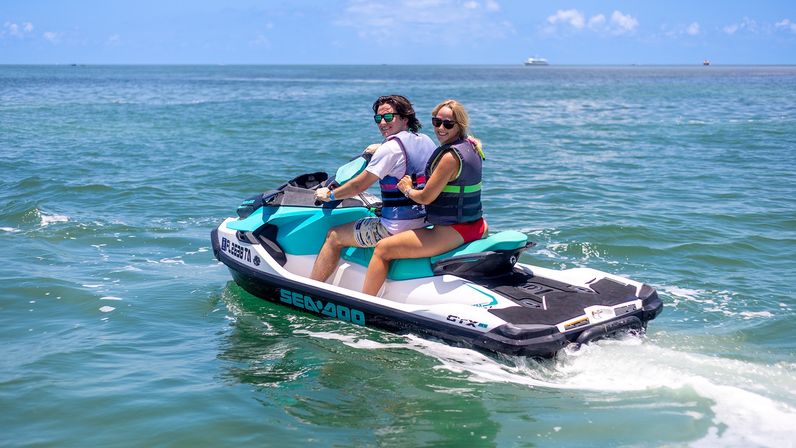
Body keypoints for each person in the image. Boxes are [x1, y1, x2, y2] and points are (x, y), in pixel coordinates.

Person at [362, 99, 487, 296]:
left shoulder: (449, 157)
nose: (440, 128)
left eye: (448, 124)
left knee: (382, 249)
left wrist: (407, 188)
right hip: (477, 224)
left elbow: (425, 198)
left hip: (452, 231)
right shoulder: (471, 146)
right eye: (437, 122)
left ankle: (365, 303)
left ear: (459, 125)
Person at [310, 95, 437, 283]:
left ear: (404, 118)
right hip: (426, 220)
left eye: (388, 117)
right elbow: (406, 158)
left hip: (396, 227)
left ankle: (314, 287)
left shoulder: (391, 149)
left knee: (334, 236)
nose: (382, 123)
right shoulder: (425, 140)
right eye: (378, 119)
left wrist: (330, 194)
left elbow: (358, 185)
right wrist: (381, 148)